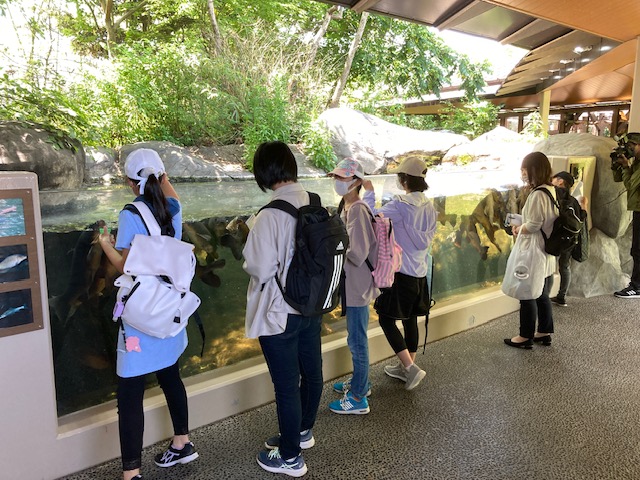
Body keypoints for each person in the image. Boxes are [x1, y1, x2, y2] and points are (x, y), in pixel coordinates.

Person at [98, 149, 198, 480]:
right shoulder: (174, 207)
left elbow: (127, 266)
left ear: (130, 183)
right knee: (171, 375)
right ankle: (182, 443)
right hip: (168, 309)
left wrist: (105, 244)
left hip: (143, 315)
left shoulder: (130, 214)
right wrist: (161, 176)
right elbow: (169, 194)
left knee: (129, 393)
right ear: (163, 176)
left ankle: (131, 474)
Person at [243, 141, 323, 477]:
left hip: (279, 313)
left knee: (287, 387)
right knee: (312, 373)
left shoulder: (270, 215)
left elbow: (259, 268)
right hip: (311, 306)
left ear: (264, 172)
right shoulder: (315, 202)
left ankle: (290, 457)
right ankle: (301, 433)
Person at [362, 156, 436, 390]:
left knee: (386, 318)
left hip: (400, 272)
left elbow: (372, 216)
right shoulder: (429, 206)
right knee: (410, 318)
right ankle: (407, 366)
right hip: (420, 272)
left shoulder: (399, 205)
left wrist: (369, 192)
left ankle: (410, 368)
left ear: (404, 180)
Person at [328, 158, 379, 415]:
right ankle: (361, 382)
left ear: (356, 181)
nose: (338, 181)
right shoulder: (348, 206)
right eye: (336, 177)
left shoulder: (357, 209)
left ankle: (359, 398)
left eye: (343, 177)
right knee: (356, 338)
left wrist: (332, 249)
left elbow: (358, 253)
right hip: (354, 283)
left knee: (357, 341)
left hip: (358, 286)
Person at [504, 152, 557, 349]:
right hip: (545, 249)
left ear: (534, 170)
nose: (522, 173)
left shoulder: (537, 195)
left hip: (533, 250)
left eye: (524, 170)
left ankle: (525, 336)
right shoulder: (550, 190)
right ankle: (544, 331)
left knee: (526, 291)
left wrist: (519, 228)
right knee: (541, 293)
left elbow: (534, 224)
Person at [549, 171, 588, 307]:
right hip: (570, 239)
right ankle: (561, 296)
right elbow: (582, 217)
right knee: (564, 267)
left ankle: (543, 295)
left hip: (556, 237)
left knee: (548, 264)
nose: (551, 181)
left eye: (553, 179)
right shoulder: (572, 200)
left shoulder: (555, 195)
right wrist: (584, 205)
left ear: (560, 181)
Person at [611, 132, 640, 298]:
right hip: (637, 209)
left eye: (632, 146)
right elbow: (618, 179)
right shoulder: (636, 162)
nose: (629, 149)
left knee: (638, 249)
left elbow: (630, 186)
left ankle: (637, 286)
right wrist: (617, 164)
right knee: (636, 249)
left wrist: (626, 167)